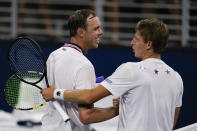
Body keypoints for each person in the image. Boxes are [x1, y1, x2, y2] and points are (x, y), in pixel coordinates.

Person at [41, 18, 183, 131]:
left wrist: (56, 93)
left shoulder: (130, 70)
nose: (132, 43)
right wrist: (128, 106)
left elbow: (89, 97)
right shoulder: (177, 79)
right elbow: (170, 123)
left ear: (148, 45)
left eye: (136, 39)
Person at [41, 9, 119, 131]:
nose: (101, 32)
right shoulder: (84, 66)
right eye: (96, 29)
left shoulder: (53, 56)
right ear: (81, 32)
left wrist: (87, 128)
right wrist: (116, 110)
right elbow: (86, 116)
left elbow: (61, 104)